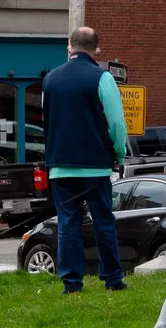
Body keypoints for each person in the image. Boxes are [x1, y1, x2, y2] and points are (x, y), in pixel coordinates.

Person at [41, 26, 128, 294]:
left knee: (68, 224)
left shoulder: (50, 80)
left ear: (70, 47)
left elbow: (47, 120)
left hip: (60, 166)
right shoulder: (102, 78)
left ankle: (71, 282)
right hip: (95, 166)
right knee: (103, 221)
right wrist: (119, 153)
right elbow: (116, 123)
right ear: (96, 50)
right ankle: (112, 279)